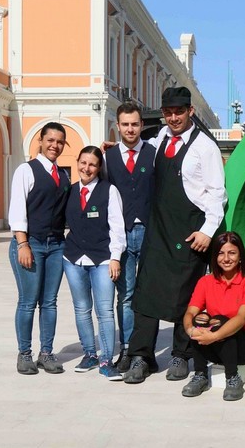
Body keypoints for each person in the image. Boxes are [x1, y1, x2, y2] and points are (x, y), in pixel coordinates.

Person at [124, 86, 227, 384]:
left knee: (187, 298)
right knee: (145, 296)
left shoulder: (205, 147)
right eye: (168, 112)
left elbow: (217, 194)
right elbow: (134, 152)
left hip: (190, 232)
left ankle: (182, 355)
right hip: (158, 231)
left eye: (178, 112)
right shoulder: (157, 140)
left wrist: (208, 232)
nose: (173, 117)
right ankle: (142, 357)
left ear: (190, 111)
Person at [8, 122, 71, 375]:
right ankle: (25, 354)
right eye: (50, 140)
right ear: (41, 142)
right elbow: (17, 210)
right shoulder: (26, 170)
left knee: (50, 302)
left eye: (59, 141)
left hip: (56, 245)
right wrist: (22, 243)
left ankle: (46, 353)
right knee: (27, 302)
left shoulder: (64, 175)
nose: (55, 145)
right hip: (31, 243)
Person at [62, 146, 126, 380]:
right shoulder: (69, 191)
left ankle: (106, 360)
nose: (86, 168)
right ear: (77, 162)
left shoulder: (109, 191)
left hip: (102, 259)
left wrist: (115, 258)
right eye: (83, 163)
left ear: (99, 168)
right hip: (73, 258)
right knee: (81, 309)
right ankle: (89, 354)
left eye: (92, 164)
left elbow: (117, 227)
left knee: (105, 311)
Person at [103, 102, 156, 373]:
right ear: (118, 125)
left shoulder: (153, 154)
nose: (130, 129)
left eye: (135, 124)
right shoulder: (108, 158)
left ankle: (145, 352)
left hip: (148, 234)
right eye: (125, 124)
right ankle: (126, 349)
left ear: (142, 126)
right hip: (120, 236)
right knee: (125, 296)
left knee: (147, 295)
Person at [180, 231, 245, 401]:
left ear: (240, 256)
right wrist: (191, 331)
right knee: (199, 320)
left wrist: (214, 335)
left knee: (221, 320)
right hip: (215, 345)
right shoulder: (205, 282)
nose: (226, 258)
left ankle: (232, 378)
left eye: (232, 253)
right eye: (221, 253)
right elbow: (190, 312)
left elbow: (242, 318)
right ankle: (200, 375)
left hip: (244, 346)